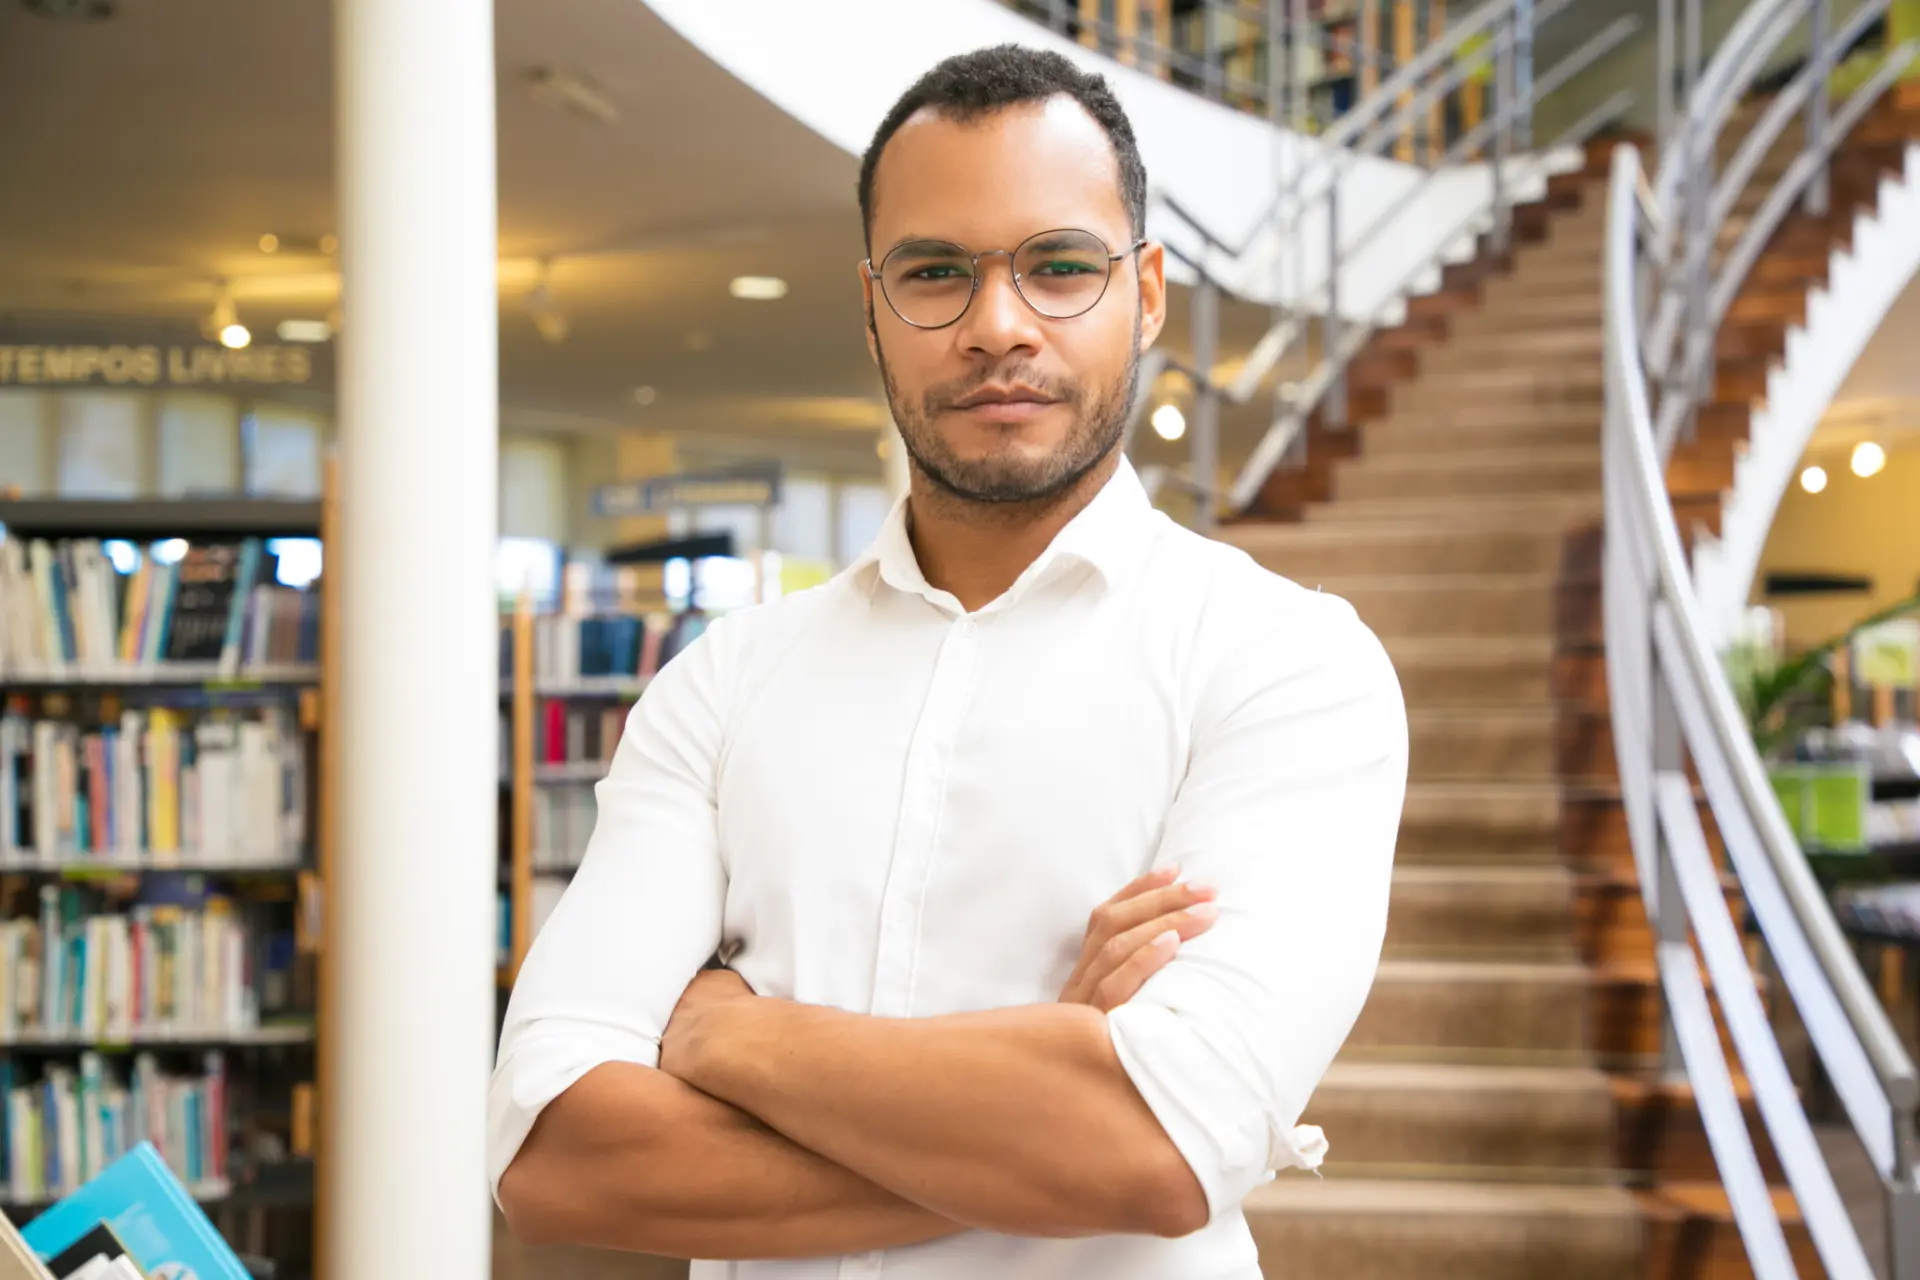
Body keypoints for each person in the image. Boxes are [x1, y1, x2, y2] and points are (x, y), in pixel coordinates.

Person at [489, 43, 1407, 1279]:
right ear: (871, 304)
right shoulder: (719, 685)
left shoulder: (1286, 663)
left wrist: (726, 1039)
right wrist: (1052, 1071)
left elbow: (1156, 1147)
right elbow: (556, 1159)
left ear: (1147, 294)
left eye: (1059, 267)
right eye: (935, 273)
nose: (997, 326)